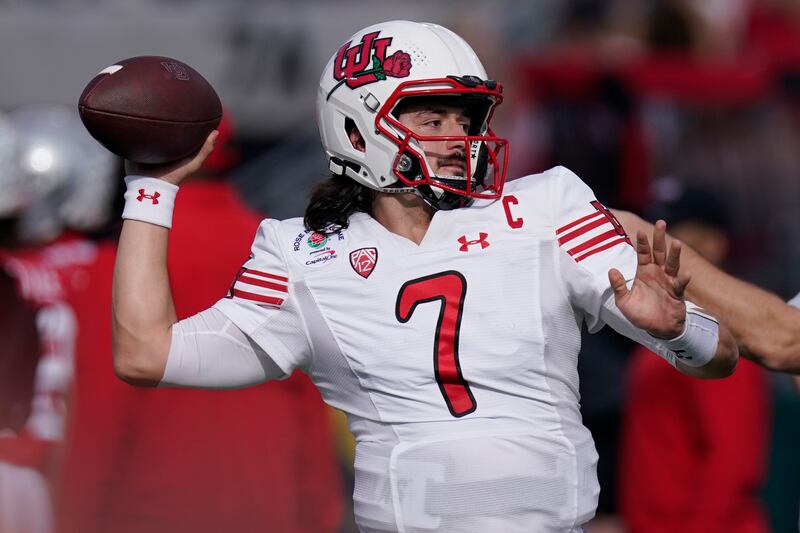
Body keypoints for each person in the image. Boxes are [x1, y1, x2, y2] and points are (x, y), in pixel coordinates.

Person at [110, 20, 737, 532]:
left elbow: (722, 357)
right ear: (355, 129)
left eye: (466, 120)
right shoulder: (302, 253)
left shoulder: (548, 206)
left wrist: (681, 331)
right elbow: (145, 353)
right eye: (432, 121)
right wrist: (150, 190)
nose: (457, 138)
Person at [55, 112, 343, 533]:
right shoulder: (288, 253)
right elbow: (312, 401)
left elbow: (99, 412)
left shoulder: (120, 259)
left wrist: (73, 516)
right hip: (270, 507)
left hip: (150, 512)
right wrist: (318, 514)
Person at [618, 181, 770, 533]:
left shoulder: (724, 330)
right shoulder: (665, 315)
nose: (658, 242)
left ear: (715, 244)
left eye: (675, 234)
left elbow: (732, 463)